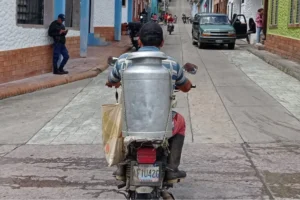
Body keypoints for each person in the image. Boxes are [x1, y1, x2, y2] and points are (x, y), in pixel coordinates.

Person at [106, 22, 192, 182]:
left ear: (139, 41)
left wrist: (114, 82)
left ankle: (120, 167)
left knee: (118, 121)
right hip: (161, 127)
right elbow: (186, 86)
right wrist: (186, 84)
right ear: (161, 43)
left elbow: (111, 80)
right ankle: (172, 168)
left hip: (130, 126)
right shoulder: (171, 64)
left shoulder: (123, 62)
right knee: (180, 121)